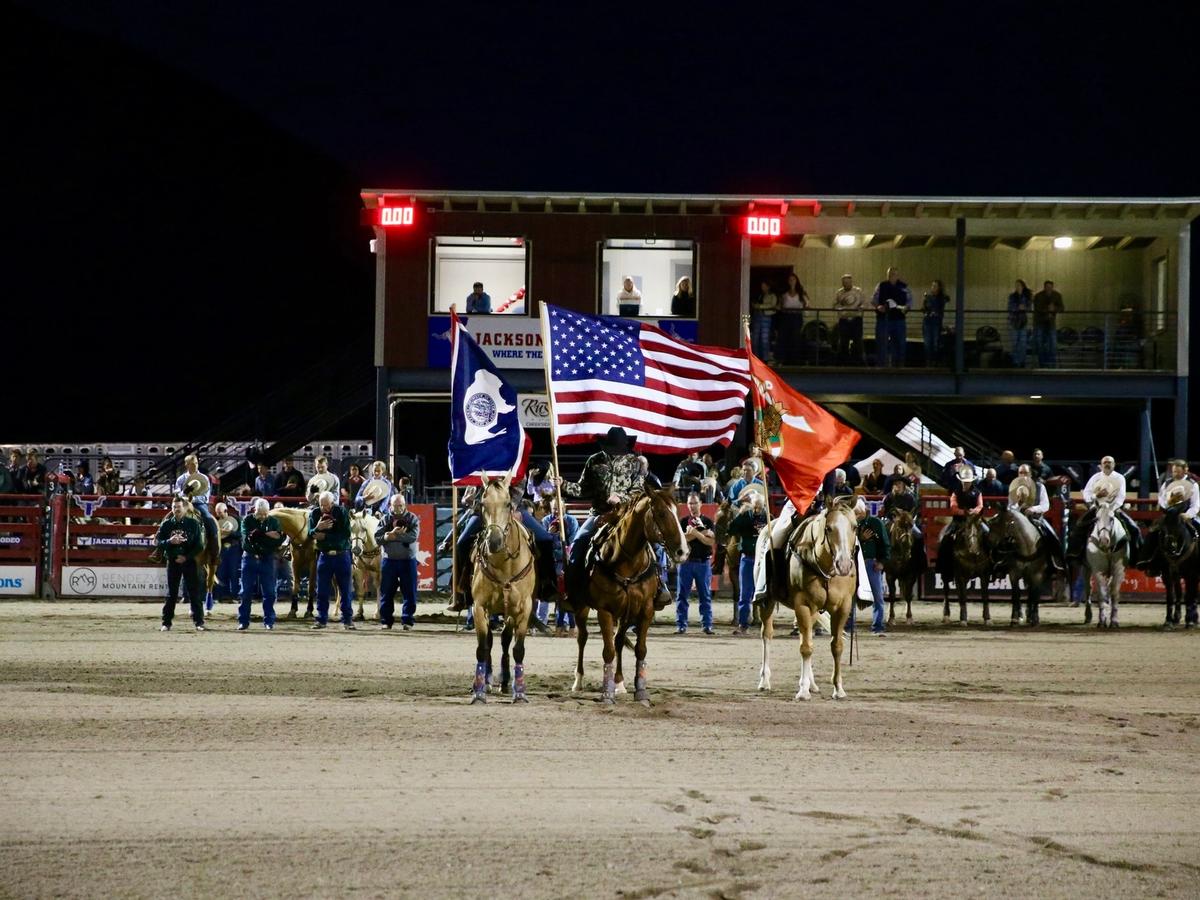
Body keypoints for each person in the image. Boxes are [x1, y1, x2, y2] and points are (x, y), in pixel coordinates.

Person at [554, 426, 670, 610]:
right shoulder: (594, 461)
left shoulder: (634, 463)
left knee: (654, 543)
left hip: (628, 514)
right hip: (599, 513)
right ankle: (574, 592)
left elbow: (639, 490)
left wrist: (621, 498)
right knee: (578, 544)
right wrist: (563, 484)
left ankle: (660, 587)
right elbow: (584, 488)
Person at [1066, 456, 1142, 564]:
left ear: (1114, 464)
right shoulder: (1095, 478)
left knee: (1134, 529)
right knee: (1078, 526)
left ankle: (1136, 559)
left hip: (1114, 508)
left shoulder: (1120, 478)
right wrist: (1096, 496)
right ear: (1101, 465)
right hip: (1096, 508)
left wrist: (1112, 508)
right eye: (1105, 462)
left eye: (1109, 462)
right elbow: (1086, 494)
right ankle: (1074, 555)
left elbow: (1121, 497)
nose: (1107, 464)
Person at [1137, 459, 1198, 573]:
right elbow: (1161, 499)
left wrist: (1188, 514)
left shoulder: (1192, 484)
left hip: (1186, 515)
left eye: (1178, 472)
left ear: (1185, 470)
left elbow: (1196, 504)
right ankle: (1146, 560)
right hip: (1169, 514)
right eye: (1174, 472)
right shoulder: (1167, 483)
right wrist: (1168, 504)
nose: (1176, 474)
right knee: (1153, 532)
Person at [156, 496, 205, 631]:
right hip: (172, 561)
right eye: (173, 507)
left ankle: (199, 622)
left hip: (189, 561)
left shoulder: (193, 523)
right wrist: (169, 542)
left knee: (194, 591)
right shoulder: (166, 524)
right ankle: (166, 622)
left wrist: (186, 557)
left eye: (178, 507)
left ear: (184, 508)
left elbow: (199, 546)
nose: (176, 509)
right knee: (171, 593)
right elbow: (158, 542)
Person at [309, 490, 355, 629]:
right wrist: (317, 528)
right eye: (322, 505)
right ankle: (321, 619)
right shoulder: (315, 513)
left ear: (333, 503)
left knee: (345, 589)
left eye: (327, 505)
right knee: (322, 589)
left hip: (342, 554)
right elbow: (310, 534)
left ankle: (347, 619)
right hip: (324, 555)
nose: (324, 508)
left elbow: (346, 533)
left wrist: (325, 536)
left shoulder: (341, 512)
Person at [1007, 465, 1065, 571]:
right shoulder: (1014, 487)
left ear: (1030, 474)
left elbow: (1045, 505)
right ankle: (1003, 564)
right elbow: (1009, 507)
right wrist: (1018, 505)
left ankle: (1054, 563)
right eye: (1021, 473)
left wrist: (1032, 509)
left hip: (1036, 519)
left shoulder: (1039, 486)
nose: (1023, 475)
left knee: (1051, 536)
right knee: (1004, 537)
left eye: (1025, 473)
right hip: (1018, 520)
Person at [376, 494, 420, 630]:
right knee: (386, 592)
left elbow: (413, 537)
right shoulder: (385, 519)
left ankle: (407, 620)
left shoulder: (412, 518)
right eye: (395, 505)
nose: (398, 508)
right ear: (390, 505)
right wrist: (387, 536)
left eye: (400, 505)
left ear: (405, 505)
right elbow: (378, 538)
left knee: (410, 592)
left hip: (408, 560)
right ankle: (386, 620)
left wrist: (394, 535)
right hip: (389, 561)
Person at [237, 498, 283, 631]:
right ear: (254, 510)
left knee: (269, 592)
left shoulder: (274, 521)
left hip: (267, 559)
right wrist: (267, 535)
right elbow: (247, 542)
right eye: (259, 513)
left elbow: (278, 541)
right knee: (245, 592)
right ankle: (243, 621)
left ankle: (269, 621)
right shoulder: (247, 520)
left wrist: (258, 535)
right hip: (249, 558)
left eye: (265, 513)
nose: (262, 516)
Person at [936, 466, 988, 576]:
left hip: (975, 520)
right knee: (946, 538)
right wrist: (963, 512)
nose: (966, 484)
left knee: (988, 534)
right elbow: (953, 507)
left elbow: (980, 506)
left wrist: (973, 511)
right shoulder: (956, 493)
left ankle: (990, 565)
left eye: (968, 482)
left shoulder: (977, 492)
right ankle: (944, 566)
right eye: (965, 482)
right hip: (959, 521)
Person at [675, 493, 715, 635]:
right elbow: (682, 539)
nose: (692, 506)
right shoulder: (683, 521)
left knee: (705, 595)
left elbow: (710, 541)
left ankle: (707, 625)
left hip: (703, 563)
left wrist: (695, 533)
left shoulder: (708, 521)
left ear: (700, 504)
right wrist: (702, 533)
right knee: (682, 595)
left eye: (694, 503)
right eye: (690, 503)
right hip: (685, 563)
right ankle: (681, 625)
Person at [728, 490, 767, 634]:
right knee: (744, 594)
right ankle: (743, 625)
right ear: (752, 505)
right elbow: (731, 529)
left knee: (764, 593)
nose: (757, 510)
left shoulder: (768, 518)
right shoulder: (745, 517)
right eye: (755, 506)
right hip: (747, 558)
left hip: (763, 560)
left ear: (763, 506)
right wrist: (739, 514)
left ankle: (766, 624)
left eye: (760, 507)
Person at [540, 496, 579, 634]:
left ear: (564, 508)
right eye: (554, 508)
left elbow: (574, 541)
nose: (556, 511)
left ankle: (569, 625)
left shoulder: (571, 521)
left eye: (559, 508)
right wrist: (551, 534)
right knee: (550, 591)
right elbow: (544, 542)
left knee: (567, 593)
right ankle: (543, 621)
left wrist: (564, 536)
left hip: (567, 560)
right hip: (552, 561)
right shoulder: (546, 520)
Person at [173, 454, 219, 563]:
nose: (195, 466)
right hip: (183, 504)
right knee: (168, 518)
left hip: (199, 504)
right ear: (186, 465)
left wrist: (192, 499)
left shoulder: (204, 478)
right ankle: (159, 551)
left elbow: (205, 497)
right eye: (192, 464)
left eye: (196, 463)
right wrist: (183, 495)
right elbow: (176, 492)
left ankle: (214, 551)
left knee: (208, 518)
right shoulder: (181, 479)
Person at [856, 499, 891, 635]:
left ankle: (878, 626)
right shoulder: (853, 524)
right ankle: (847, 626)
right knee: (850, 597)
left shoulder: (876, 523)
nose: (856, 516)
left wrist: (882, 561)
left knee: (878, 597)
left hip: (871, 563)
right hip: (856, 564)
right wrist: (861, 539)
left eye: (857, 513)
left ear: (862, 511)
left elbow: (885, 544)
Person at [833, 274, 867, 364]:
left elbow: (865, 303)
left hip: (856, 319)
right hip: (844, 320)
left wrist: (861, 307)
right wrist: (838, 309)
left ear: (851, 282)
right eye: (844, 282)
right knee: (843, 341)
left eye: (848, 282)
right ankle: (843, 363)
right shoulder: (839, 293)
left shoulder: (858, 291)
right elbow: (834, 304)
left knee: (858, 341)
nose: (846, 284)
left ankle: (858, 363)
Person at [213, 501, 242, 605]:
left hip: (234, 549)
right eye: (217, 512)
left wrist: (230, 532)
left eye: (220, 512)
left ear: (225, 511)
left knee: (233, 573)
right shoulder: (215, 521)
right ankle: (217, 597)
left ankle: (235, 596)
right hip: (221, 550)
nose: (218, 514)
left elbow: (241, 534)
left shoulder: (236, 519)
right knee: (220, 573)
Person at [777, 272, 809, 364]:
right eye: (790, 280)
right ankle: (785, 359)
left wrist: (805, 308)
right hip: (786, 316)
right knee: (785, 337)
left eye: (793, 280)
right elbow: (780, 305)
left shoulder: (801, 293)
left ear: (796, 281)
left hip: (796, 316)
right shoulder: (784, 293)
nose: (792, 282)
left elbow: (807, 303)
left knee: (795, 337)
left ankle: (795, 359)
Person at [1032, 280, 1064, 367]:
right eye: (1047, 287)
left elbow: (1062, 308)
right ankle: (1042, 364)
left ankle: (1052, 364)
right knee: (1040, 344)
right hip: (1040, 323)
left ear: (1052, 287)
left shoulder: (1057, 295)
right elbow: (1037, 308)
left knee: (1052, 344)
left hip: (1051, 323)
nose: (1049, 289)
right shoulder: (1038, 296)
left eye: (1050, 287)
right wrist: (1048, 309)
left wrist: (1054, 309)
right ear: (1044, 287)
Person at [921, 279, 949, 366]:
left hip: (936, 322)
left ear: (939, 288)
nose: (932, 288)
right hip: (927, 322)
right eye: (932, 286)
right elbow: (923, 308)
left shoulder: (941, 298)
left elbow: (944, 302)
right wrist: (927, 310)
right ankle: (928, 362)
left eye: (935, 286)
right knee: (927, 344)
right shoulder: (928, 297)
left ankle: (935, 362)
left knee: (935, 343)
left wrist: (935, 312)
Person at [750, 280, 778, 361]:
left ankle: (765, 358)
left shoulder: (772, 296)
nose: (763, 287)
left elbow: (772, 305)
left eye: (764, 285)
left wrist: (759, 306)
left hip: (766, 316)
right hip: (757, 316)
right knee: (755, 338)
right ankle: (756, 357)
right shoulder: (760, 295)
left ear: (768, 286)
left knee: (764, 339)